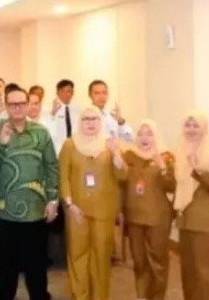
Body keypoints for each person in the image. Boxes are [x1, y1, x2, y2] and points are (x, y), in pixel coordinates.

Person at [0, 85, 59, 300]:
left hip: (35, 211)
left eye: (21, 103)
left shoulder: (41, 133)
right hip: (3, 211)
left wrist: (53, 200)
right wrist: (2, 143)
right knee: (4, 269)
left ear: (28, 105)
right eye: (13, 104)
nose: (17, 108)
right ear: (6, 106)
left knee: (36, 268)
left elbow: (51, 167)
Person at [59, 106, 127, 300]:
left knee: (101, 257)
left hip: (104, 211)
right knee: (77, 255)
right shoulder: (70, 145)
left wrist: (116, 154)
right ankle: (80, 295)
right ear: (80, 122)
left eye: (94, 119)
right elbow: (63, 176)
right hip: (76, 211)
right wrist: (69, 204)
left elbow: (123, 175)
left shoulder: (109, 144)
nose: (90, 123)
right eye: (86, 119)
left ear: (101, 122)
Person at [175, 112, 209, 300]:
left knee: (208, 272)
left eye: (195, 126)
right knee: (189, 272)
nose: (191, 130)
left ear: (204, 128)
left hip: (205, 221)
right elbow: (177, 184)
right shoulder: (180, 150)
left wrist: (197, 169)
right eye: (187, 125)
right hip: (185, 219)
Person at [122, 120, 175, 300]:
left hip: (158, 218)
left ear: (156, 136)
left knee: (158, 262)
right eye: (140, 134)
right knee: (139, 261)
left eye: (149, 134)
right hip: (134, 217)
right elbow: (121, 181)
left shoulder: (166, 157)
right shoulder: (129, 156)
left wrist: (163, 167)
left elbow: (172, 186)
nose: (144, 138)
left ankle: (157, 296)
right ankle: (142, 296)